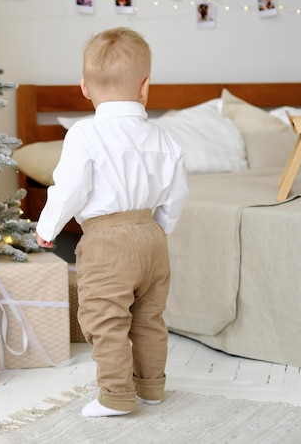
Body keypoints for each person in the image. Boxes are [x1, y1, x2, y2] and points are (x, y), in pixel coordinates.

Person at [35, 27, 188, 417]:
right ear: (145, 86)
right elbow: (177, 192)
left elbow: (69, 187)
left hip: (107, 240)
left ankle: (117, 396)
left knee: (106, 318)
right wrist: (162, 227)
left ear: (84, 88)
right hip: (152, 236)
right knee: (149, 318)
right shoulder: (164, 137)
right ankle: (152, 388)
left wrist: (47, 227)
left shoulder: (84, 133)